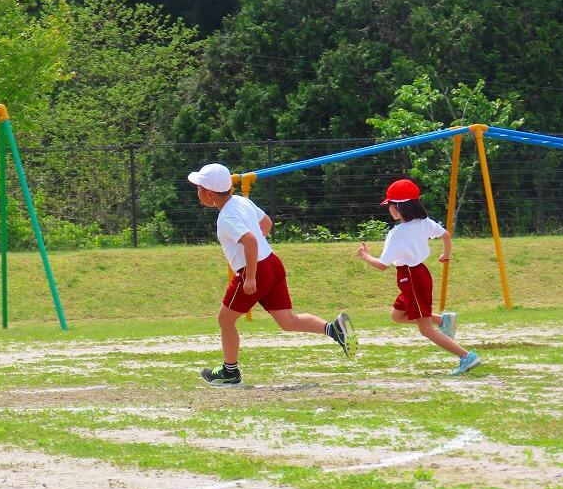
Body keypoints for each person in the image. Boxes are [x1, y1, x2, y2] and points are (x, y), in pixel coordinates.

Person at [188, 163, 357, 386]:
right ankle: (334, 329)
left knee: (225, 319)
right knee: (287, 320)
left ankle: (230, 373)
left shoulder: (226, 217)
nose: (197, 192)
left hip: (255, 270)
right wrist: (259, 252)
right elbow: (266, 223)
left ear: (209, 194)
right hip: (272, 263)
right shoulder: (241, 201)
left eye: (198, 188)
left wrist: (250, 276)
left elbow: (249, 241)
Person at [356, 178, 480, 375]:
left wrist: (364, 255)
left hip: (411, 278)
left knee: (425, 330)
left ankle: (466, 356)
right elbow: (446, 235)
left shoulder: (397, 233)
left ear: (398, 207)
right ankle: (443, 321)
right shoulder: (424, 222)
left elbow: (381, 265)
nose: (389, 208)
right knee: (397, 316)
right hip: (418, 275)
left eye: (389, 205)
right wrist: (446, 254)